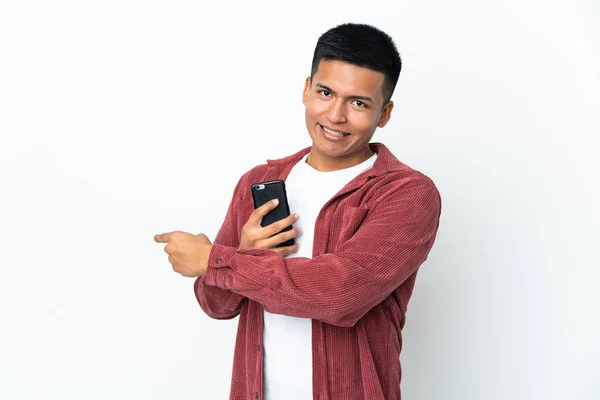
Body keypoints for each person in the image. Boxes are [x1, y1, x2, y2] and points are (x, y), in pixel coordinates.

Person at [154, 22, 441, 400]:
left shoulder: (406, 193)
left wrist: (216, 259)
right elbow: (218, 306)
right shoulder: (260, 181)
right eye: (325, 92)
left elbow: (340, 293)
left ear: (384, 113)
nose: (336, 115)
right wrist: (240, 254)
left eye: (358, 103)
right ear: (307, 90)